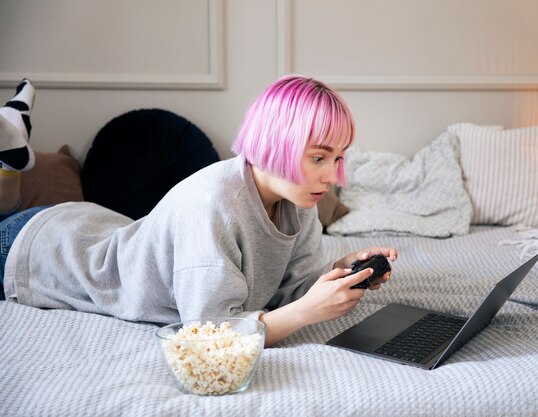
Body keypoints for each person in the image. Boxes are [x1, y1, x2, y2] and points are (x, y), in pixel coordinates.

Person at [0, 75, 398, 346]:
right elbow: (208, 332)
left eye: (338, 158)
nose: (333, 177)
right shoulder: (213, 203)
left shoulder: (300, 196)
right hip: (39, 251)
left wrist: (341, 271)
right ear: (277, 143)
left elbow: (290, 291)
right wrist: (305, 315)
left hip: (93, 226)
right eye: (319, 158)